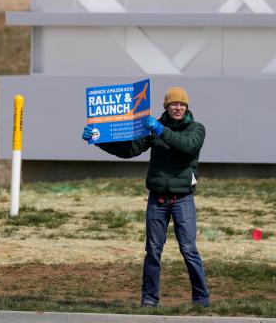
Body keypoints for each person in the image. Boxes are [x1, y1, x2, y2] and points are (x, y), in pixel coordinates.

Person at [82, 86, 210, 308]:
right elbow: (128, 150)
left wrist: (161, 129)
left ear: (187, 107)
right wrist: (99, 139)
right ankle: (149, 299)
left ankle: (201, 299)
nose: (177, 108)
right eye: (173, 104)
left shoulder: (196, 129)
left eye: (181, 104)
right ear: (166, 107)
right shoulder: (152, 130)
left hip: (183, 200)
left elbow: (187, 147)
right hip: (157, 200)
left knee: (188, 249)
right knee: (153, 251)